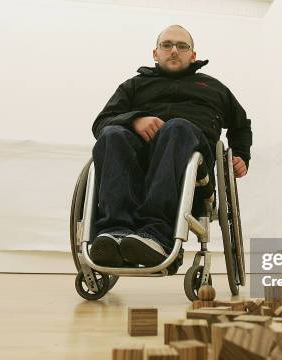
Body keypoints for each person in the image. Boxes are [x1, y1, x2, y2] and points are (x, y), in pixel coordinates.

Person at [90, 24, 252, 268]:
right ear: (156, 53)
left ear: (193, 55)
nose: (174, 50)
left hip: (192, 167)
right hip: (138, 168)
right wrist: (135, 120)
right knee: (113, 134)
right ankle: (115, 232)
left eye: (182, 46)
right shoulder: (134, 86)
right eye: (167, 45)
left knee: (177, 127)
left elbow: (241, 126)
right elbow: (101, 123)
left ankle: (158, 233)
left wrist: (240, 155)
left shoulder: (215, 89)